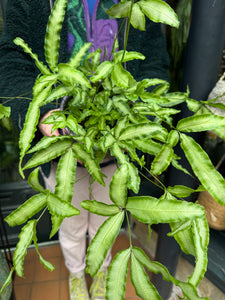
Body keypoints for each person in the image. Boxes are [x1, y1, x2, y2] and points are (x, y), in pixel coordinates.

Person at [0, 0, 169, 299]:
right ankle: (77, 272)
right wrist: (43, 112)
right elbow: (12, 60)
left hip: (117, 151)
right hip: (63, 152)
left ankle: (101, 268)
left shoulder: (140, 5)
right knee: (71, 224)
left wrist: (142, 118)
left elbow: (154, 62)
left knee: (107, 220)